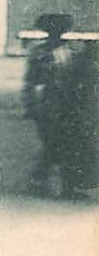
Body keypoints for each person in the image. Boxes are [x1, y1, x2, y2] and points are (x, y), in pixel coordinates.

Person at [22, 13, 96, 198]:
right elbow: (31, 82)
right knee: (54, 144)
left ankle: (56, 185)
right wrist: (30, 106)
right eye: (53, 30)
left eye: (59, 30)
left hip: (67, 104)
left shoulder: (69, 52)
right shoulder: (49, 53)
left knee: (64, 145)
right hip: (50, 104)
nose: (56, 34)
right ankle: (48, 183)